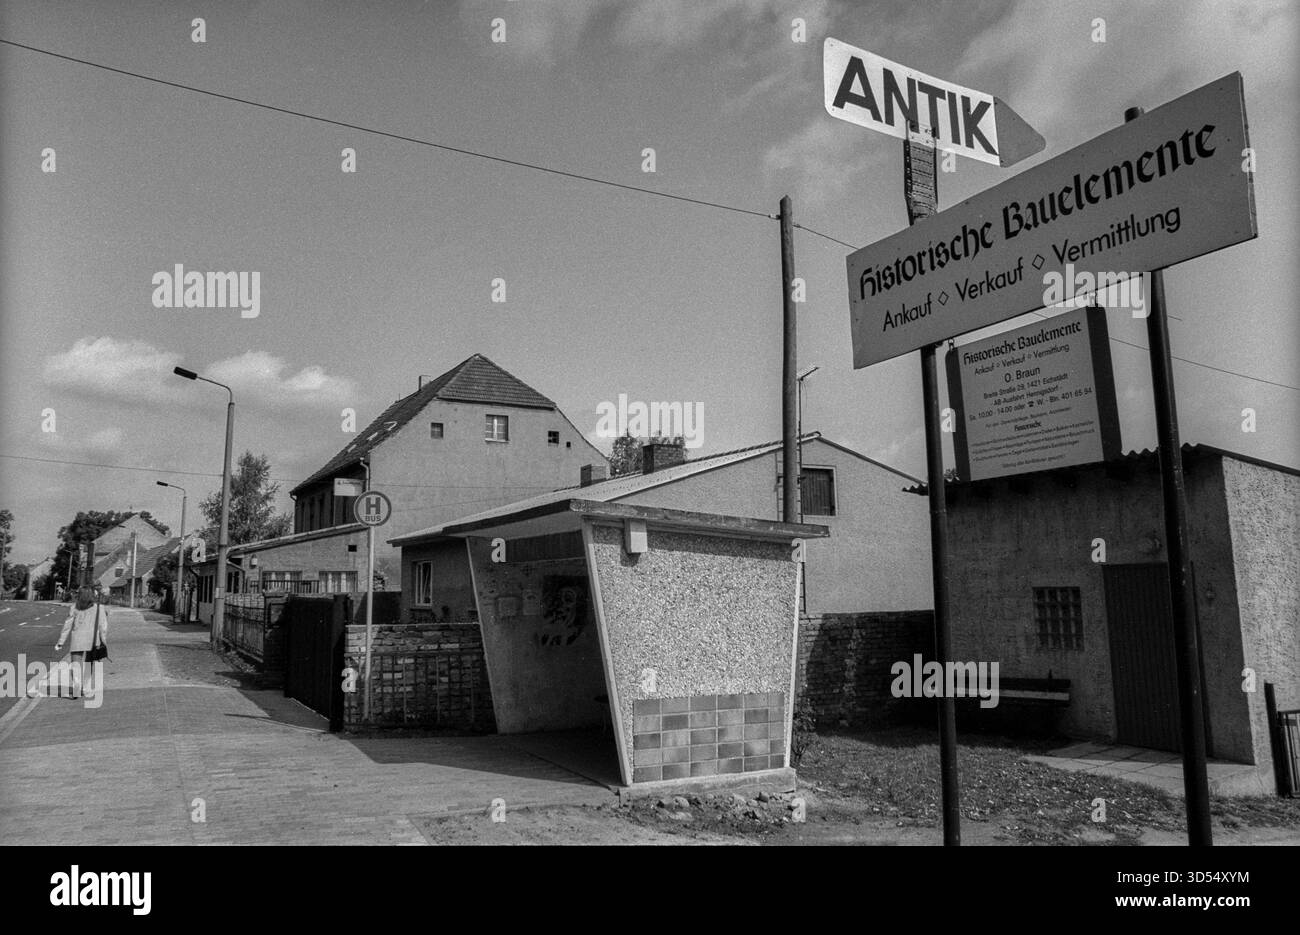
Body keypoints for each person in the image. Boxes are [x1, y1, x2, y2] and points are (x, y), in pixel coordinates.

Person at [55, 585, 108, 699]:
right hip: (93, 640)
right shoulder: (99, 608)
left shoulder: (74, 608)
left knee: (75, 664)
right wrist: (104, 641)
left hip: (77, 639)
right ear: (92, 595)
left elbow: (67, 626)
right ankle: (85, 687)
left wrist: (61, 642)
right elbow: (103, 627)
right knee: (89, 664)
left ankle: (76, 684)